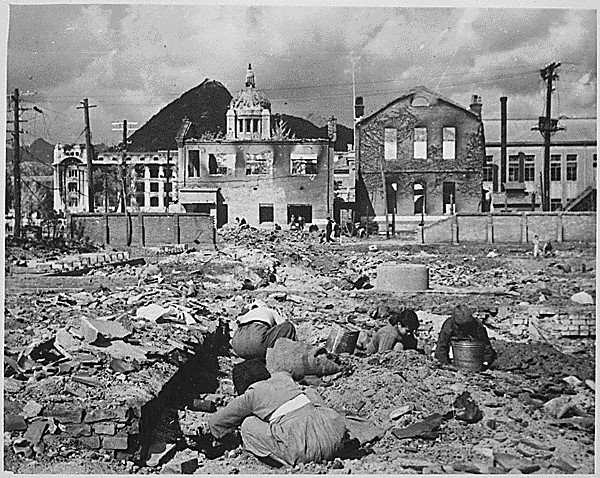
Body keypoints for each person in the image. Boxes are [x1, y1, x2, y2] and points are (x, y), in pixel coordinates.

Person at [208, 350, 348, 467]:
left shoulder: (252, 394)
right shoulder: (284, 379)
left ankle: (288, 464)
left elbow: (216, 422)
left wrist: (229, 437)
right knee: (309, 396)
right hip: (333, 434)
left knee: (248, 425)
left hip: (305, 448)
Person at [231, 301, 297, 361]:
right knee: (288, 326)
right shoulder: (268, 310)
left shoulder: (247, 314)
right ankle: (290, 357)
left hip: (237, 344)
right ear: (264, 306)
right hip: (256, 339)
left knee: (258, 344)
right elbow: (282, 323)